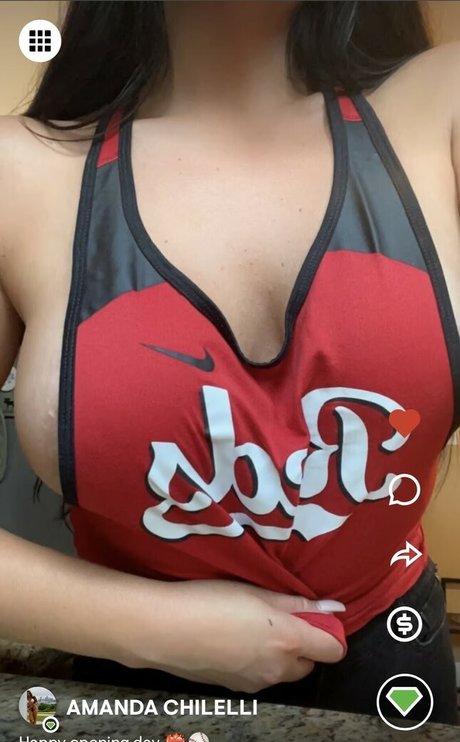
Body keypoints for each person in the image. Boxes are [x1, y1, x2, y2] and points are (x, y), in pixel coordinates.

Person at [0, 0, 459, 724]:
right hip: (134, 682)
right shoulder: (17, 172)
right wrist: (155, 629)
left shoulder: (444, 104)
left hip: (394, 659)